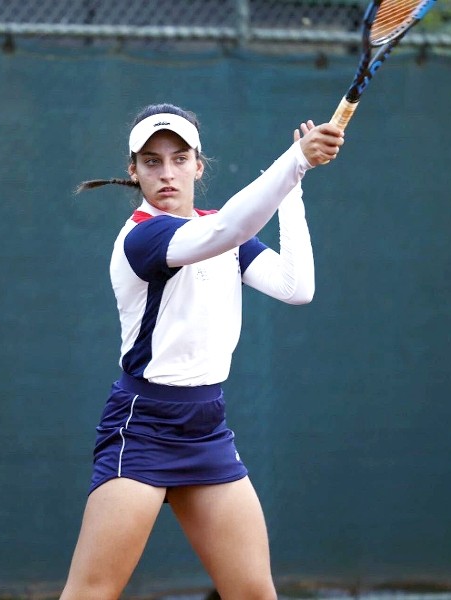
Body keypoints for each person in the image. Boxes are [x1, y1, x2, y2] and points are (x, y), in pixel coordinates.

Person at [61, 103, 344, 600]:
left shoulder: (224, 230)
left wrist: (293, 191)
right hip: (143, 426)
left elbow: (296, 287)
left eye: (178, 158)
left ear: (198, 164)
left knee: (255, 593)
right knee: (91, 593)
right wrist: (294, 161)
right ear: (134, 170)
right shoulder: (143, 236)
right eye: (151, 161)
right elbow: (224, 231)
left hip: (206, 428)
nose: (166, 173)